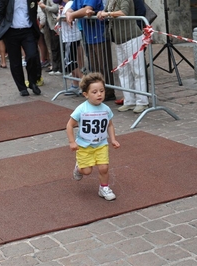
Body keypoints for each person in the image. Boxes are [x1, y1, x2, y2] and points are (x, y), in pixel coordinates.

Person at [66, 72, 120, 201]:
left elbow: (110, 125)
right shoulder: (81, 109)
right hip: (84, 146)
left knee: (104, 167)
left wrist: (113, 139)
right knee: (87, 171)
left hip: (101, 144)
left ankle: (104, 188)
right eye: (94, 92)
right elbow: (69, 125)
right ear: (86, 94)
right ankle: (78, 169)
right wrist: (72, 142)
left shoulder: (106, 109)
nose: (99, 94)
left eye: (101, 91)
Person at [97, 0, 148, 113]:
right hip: (119, 39)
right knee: (123, 71)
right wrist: (101, 13)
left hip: (131, 37)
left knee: (137, 71)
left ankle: (142, 101)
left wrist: (107, 14)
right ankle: (129, 101)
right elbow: (106, 11)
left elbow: (124, 12)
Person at [66, 0, 116, 101]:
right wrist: (68, 13)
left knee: (103, 64)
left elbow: (86, 9)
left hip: (99, 34)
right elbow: (71, 9)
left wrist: (72, 15)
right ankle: (97, 91)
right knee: (94, 65)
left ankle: (108, 91)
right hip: (88, 34)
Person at [0, 0, 42, 97]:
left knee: (32, 55)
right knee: (15, 61)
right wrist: (4, 29)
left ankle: (32, 82)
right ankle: (22, 88)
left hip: (28, 30)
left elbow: (33, 11)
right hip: (11, 31)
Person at [56, 0, 84, 94]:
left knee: (69, 62)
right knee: (72, 61)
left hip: (70, 37)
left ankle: (85, 82)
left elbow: (68, 17)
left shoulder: (70, 3)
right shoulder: (69, 4)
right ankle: (75, 84)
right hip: (70, 36)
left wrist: (60, 17)